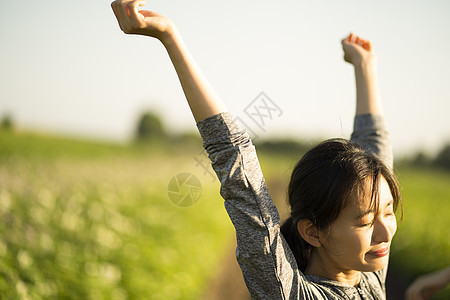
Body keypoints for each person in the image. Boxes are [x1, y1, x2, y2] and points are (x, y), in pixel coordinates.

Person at [111, 1, 403, 299]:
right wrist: (170, 38)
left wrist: (365, 66)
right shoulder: (288, 291)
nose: (385, 233)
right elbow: (237, 163)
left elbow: (376, 152)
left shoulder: (366, 268)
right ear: (313, 231)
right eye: (365, 221)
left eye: (388, 211)